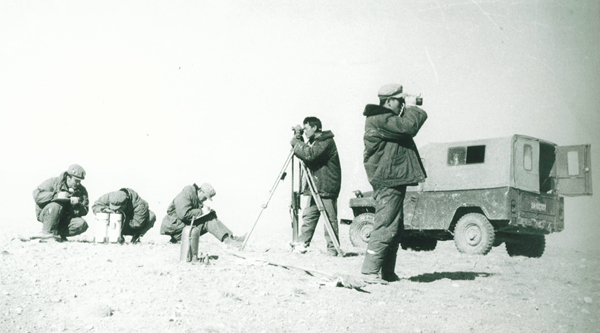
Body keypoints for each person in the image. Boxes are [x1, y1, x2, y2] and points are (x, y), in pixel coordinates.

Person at [360, 84, 428, 284]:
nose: (402, 104)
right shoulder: (380, 119)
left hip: (392, 177)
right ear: (388, 100)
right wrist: (414, 107)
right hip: (388, 179)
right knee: (386, 224)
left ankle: (387, 273)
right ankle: (369, 272)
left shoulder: (386, 120)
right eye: (400, 101)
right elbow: (409, 127)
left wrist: (407, 108)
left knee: (395, 226)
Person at [289, 117, 342, 256]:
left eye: (306, 128)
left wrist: (296, 142)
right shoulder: (315, 142)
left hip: (326, 186)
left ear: (315, 127)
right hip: (316, 186)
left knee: (329, 218)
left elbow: (310, 155)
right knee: (309, 215)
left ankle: (333, 248)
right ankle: (302, 243)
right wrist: (299, 140)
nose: (304, 131)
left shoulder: (326, 141)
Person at [159, 183, 244, 246]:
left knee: (210, 217)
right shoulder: (185, 195)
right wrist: (202, 211)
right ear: (200, 191)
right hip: (175, 228)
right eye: (205, 197)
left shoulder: (194, 197)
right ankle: (228, 241)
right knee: (208, 221)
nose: (205, 200)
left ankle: (230, 238)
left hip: (181, 227)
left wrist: (209, 213)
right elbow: (183, 214)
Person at [32, 164, 90, 241]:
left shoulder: (81, 190)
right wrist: (56, 196)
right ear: (68, 177)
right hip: (47, 213)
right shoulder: (53, 182)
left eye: (80, 181)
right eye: (76, 180)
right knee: (56, 206)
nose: (78, 183)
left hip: (65, 219)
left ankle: (56, 234)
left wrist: (77, 205)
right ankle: (47, 232)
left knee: (82, 224)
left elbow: (85, 211)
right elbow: (37, 196)